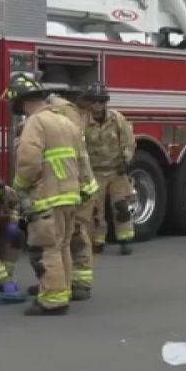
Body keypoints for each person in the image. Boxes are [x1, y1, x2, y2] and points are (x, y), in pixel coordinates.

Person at [4, 72, 86, 316]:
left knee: (46, 248)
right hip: (70, 195)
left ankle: (52, 300)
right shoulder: (66, 122)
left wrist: (19, 186)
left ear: (23, 102)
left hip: (47, 196)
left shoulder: (35, 123)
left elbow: (29, 161)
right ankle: (62, 289)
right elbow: (82, 159)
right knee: (61, 246)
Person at [44, 86, 98, 299]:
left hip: (75, 184)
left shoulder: (60, 112)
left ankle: (80, 283)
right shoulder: (68, 112)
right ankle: (63, 282)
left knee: (74, 232)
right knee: (69, 234)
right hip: (75, 183)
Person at [77, 82, 137, 255]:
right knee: (96, 211)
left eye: (100, 101)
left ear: (105, 102)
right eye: (94, 101)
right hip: (94, 173)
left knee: (121, 207)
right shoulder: (82, 122)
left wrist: (126, 159)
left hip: (116, 171)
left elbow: (129, 141)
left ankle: (125, 239)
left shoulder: (117, 119)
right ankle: (98, 241)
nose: (97, 105)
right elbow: (79, 147)